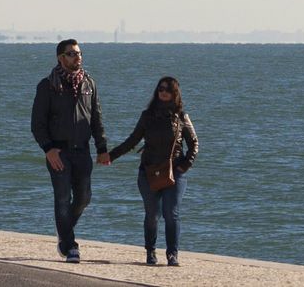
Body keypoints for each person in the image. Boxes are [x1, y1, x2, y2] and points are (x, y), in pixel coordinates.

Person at [100, 76, 199, 267]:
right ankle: (150, 251)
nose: (163, 92)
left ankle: (172, 254)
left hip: (174, 172)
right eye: (160, 89)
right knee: (152, 214)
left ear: (175, 93)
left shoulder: (181, 117)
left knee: (171, 213)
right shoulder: (147, 116)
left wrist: (185, 165)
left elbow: (194, 143)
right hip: (149, 172)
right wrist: (111, 155)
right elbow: (133, 140)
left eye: (168, 90)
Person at [30, 39, 106, 263]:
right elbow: (37, 124)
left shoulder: (89, 84)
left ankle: (63, 232)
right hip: (59, 152)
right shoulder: (48, 85)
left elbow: (96, 119)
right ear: (60, 58)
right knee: (63, 199)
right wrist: (48, 149)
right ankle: (70, 245)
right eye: (72, 54)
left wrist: (102, 148)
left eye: (79, 53)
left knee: (84, 198)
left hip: (82, 152)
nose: (77, 57)